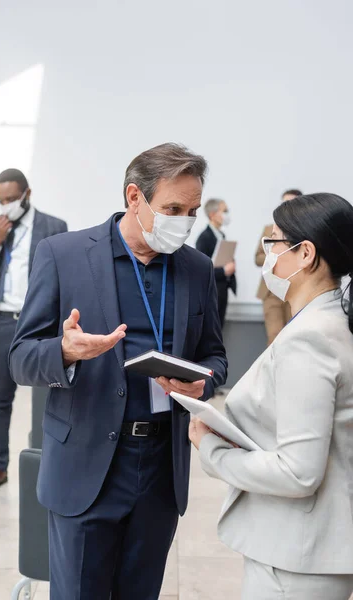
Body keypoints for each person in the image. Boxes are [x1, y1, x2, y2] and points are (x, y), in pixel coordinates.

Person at [8, 143, 228, 600]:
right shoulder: (63, 255)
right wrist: (64, 352)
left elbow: (215, 357)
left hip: (161, 471)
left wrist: (202, 381)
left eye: (191, 210)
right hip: (86, 466)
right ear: (134, 196)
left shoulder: (196, 268)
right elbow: (20, 358)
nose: (185, 222)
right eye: (173, 209)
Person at [190, 192, 353, 600]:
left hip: (297, 558)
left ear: (306, 255)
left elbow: (299, 472)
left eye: (274, 242)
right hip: (312, 550)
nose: (266, 254)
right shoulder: (333, 320)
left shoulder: (309, 339)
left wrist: (211, 448)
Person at [0, 169, 67, 496]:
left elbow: (63, 280)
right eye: (1, 201)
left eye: (12, 199)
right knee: (0, 397)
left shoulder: (54, 227)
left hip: (38, 323)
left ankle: (48, 463)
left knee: (46, 395)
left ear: (27, 194)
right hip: (0, 322)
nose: (6, 206)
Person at [255, 189, 302, 344]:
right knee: (274, 337)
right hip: (270, 292)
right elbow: (257, 257)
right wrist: (275, 255)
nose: (286, 207)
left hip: (293, 290)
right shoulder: (270, 229)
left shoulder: (304, 231)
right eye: (284, 203)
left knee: (292, 336)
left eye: (291, 203)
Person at [196, 198, 236, 327]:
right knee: (212, 328)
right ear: (212, 215)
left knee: (220, 326)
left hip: (222, 288)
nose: (227, 214)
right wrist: (224, 271)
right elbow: (201, 270)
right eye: (224, 211)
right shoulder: (204, 238)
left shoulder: (221, 235)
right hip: (212, 291)